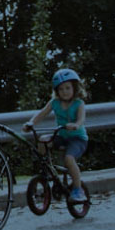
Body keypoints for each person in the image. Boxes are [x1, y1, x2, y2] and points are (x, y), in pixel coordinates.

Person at [24, 68, 91, 202]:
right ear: (56, 91)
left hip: (77, 138)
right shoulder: (54, 103)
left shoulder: (79, 103)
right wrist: (31, 123)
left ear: (75, 88)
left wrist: (76, 125)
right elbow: (41, 113)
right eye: (61, 89)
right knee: (42, 140)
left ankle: (78, 189)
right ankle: (45, 169)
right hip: (62, 136)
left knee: (69, 159)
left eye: (67, 88)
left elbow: (81, 119)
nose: (64, 92)